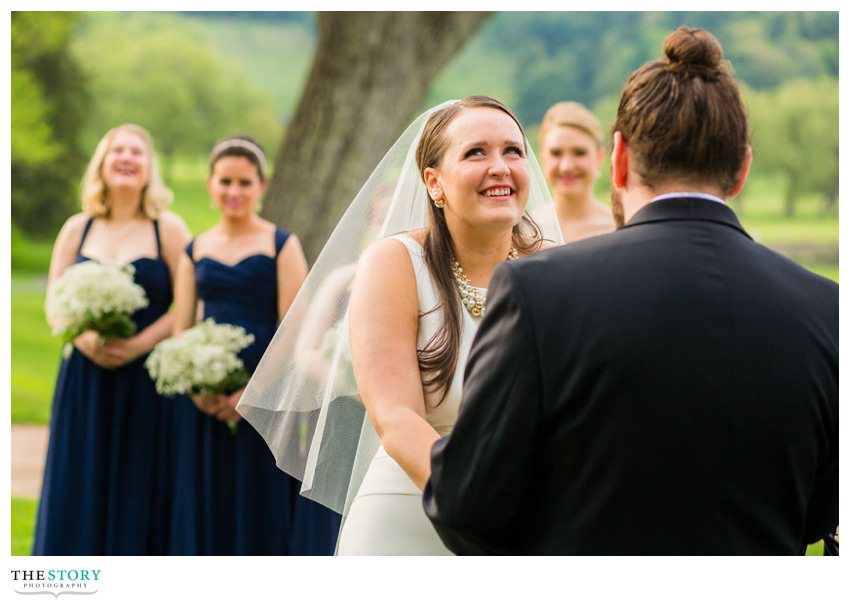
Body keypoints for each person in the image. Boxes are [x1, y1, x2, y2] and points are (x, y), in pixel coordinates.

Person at [424, 27, 838, 555]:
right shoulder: (828, 310)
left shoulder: (537, 291)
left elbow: (465, 504)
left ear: (617, 159)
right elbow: (819, 510)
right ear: (741, 170)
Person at [236, 96, 559, 555]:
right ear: (434, 183)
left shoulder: (556, 268)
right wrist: (483, 506)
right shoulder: (394, 263)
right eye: (475, 153)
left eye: (513, 151)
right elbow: (396, 415)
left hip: (530, 523)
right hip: (411, 515)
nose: (501, 167)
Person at [168, 135, 340, 555]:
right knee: (206, 491)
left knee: (257, 495)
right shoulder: (193, 250)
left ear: (261, 187)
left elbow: (295, 326)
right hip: (205, 399)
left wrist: (255, 393)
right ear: (211, 184)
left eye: (244, 182)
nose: (234, 191)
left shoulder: (282, 245)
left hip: (265, 399)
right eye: (225, 181)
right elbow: (181, 328)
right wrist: (196, 388)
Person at [33, 124, 191, 555]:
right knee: (80, 475)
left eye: (136, 151)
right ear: (101, 164)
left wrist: (139, 345)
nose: (126, 157)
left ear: (148, 168)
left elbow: (187, 305)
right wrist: (83, 338)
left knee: (140, 479)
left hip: (147, 382)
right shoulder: (77, 229)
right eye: (117, 150)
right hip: (85, 379)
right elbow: (54, 298)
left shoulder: (169, 230)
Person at [532, 101, 615, 242]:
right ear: (542, 157)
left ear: (600, 157)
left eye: (579, 153)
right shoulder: (526, 231)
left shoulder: (618, 226)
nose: (567, 167)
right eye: (556, 153)